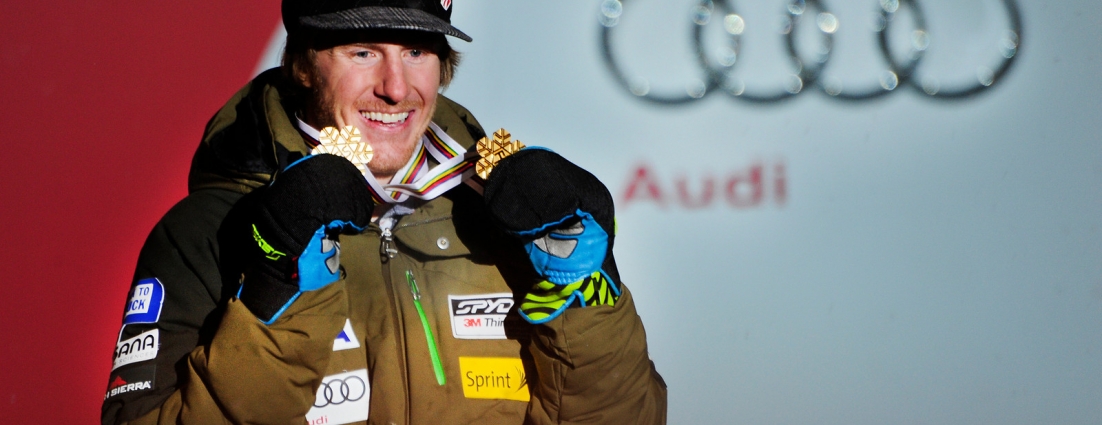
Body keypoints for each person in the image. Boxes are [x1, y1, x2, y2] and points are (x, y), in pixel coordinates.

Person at [102, 1, 667, 424]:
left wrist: (592, 297)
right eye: (364, 51)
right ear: (303, 64)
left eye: (417, 51)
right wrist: (275, 293)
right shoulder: (213, 228)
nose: (396, 89)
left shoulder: (506, 215)